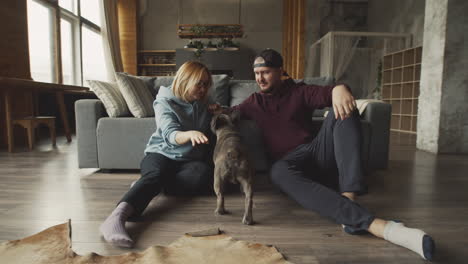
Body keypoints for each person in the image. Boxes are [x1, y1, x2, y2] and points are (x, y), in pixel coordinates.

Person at [212, 49, 435, 261]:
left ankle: (349, 199)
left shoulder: (299, 91)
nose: (260, 78)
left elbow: (330, 92)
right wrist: (213, 109)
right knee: (277, 172)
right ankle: (381, 227)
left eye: (266, 72)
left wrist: (340, 88)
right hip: (289, 165)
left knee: (345, 110)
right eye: (257, 74)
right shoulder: (254, 102)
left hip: (316, 152)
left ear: (281, 71)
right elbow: (231, 112)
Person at [100, 61, 215, 248]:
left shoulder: (203, 103)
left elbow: (213, 116)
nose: (203, 89)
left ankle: (147, 186)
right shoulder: (163, 102)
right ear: (185, 80)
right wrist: (189, 134)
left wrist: (216, 111)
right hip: (161, 153)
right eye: (199, 84)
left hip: (188, 161)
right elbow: (170, 134)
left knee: (203, 175)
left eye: (206, 84)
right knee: (156, 174)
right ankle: (116, 218)